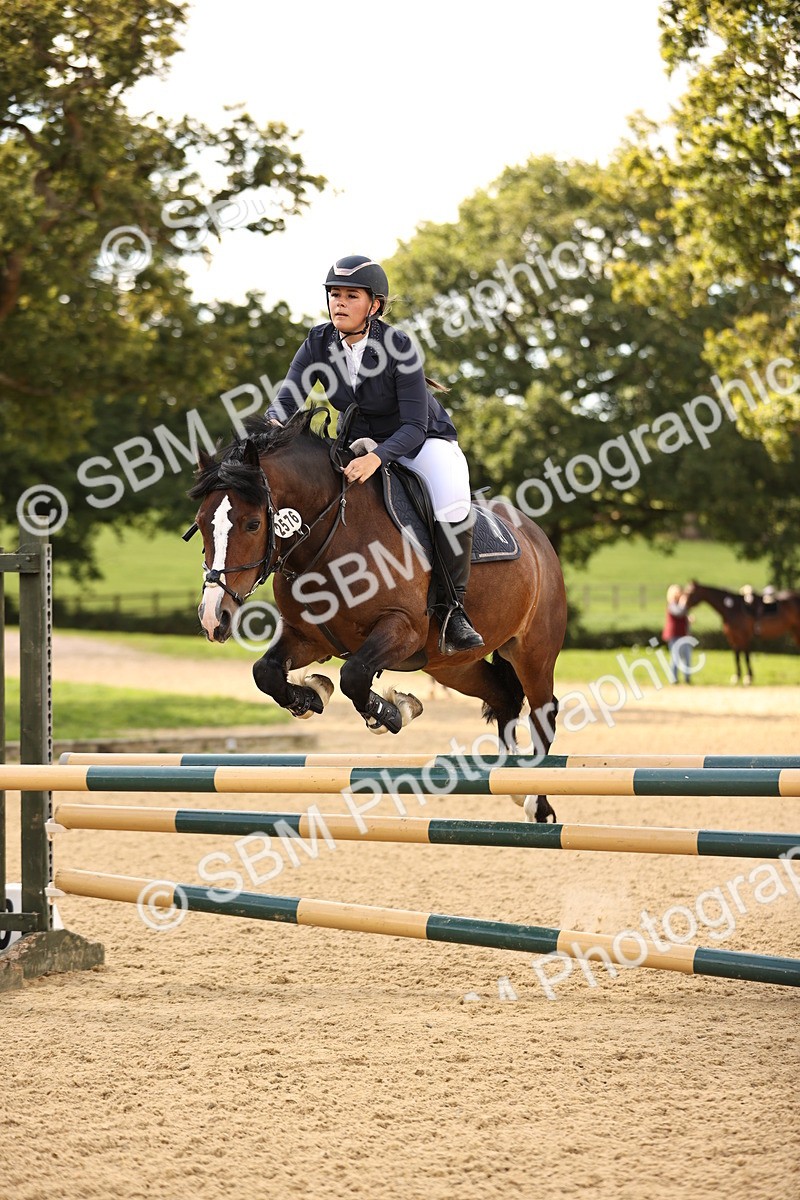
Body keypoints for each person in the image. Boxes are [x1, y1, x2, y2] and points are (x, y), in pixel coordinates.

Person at [266, 254, 484, 654]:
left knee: (451, 499)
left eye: (351, 296)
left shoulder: (398, 346)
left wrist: (377, 457)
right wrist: (267, 432)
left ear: (374, 305)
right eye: (335, 294)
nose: (340, 302)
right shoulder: (318, 342)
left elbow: (415, 426)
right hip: (356, 441)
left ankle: (452, 610)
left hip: (421, 442)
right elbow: (287, 400)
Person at [661, 584, 692, 683]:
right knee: (675, 657)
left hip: (684, 634)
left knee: (687, 657)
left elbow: (683, 615)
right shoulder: (672, 604)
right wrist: (683, 603)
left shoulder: (681, 605)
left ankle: (687, 678)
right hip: (674, 634)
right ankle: (674, 678)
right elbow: (679, 612)